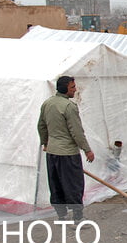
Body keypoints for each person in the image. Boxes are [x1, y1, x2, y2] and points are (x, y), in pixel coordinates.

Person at [37, 75, 95, 221]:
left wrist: (45, 143)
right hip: (68, 154)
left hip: (52, 153)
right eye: (72, 87)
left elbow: (41, 126)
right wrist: (87, 150)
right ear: (64, 89)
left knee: (56, 184)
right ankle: (78, 218)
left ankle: (61, 216)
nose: (75, 90)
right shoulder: (69, 107)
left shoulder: (47, 104)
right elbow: (76, 132)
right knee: (74, 185)